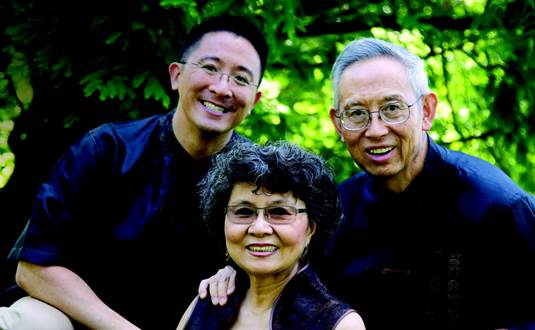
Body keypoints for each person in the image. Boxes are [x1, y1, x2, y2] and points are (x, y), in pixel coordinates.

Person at [199, 37, 535, 329]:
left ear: (427, 111)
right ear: (337, 123)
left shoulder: (498, 208)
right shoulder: (336, 210)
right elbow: (283, 271)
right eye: (357, 113)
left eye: (391, 108)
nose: (375, 130)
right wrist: (237, 274)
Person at [0, 15, 269, 329]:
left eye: (241, 78)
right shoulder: (106, 149)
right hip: (77, 319)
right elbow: (32, 267)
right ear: (176, 75)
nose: (222, 88)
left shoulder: (259, 177)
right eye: (210, 67)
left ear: (255, 100)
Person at [177, 141, 365, 330]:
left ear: (311, 229)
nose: (259, 228)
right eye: (243, 211)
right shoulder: (206, 304)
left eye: (280, 212)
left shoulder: (339, 324)